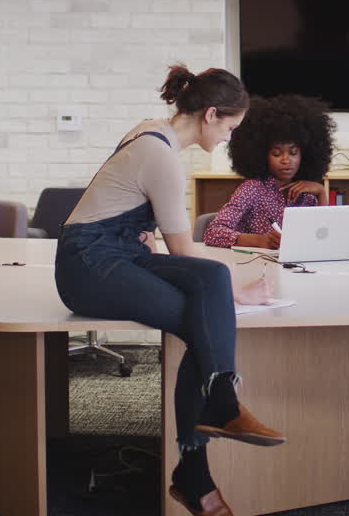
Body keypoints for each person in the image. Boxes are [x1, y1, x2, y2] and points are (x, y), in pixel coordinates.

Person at [54, 65, 285, 516]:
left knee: (213, 285)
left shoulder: (151, 131)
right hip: (86, 265)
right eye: (230, 128)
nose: (227, 139)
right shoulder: (161, 156)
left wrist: (147, 240)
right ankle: (197, 462)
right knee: (207, 315)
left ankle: (216, 414)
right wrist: (242, 293)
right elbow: (183, 248)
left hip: (115, 252)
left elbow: (130, 207)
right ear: (211, 114)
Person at [202, 94, 336, 249]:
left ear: (305, 155)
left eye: (293, 153)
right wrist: (260, 241)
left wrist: (321, 193)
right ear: (262, 155)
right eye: (276, 154)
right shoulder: (253, 189)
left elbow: (325, 239)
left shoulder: (308, 194)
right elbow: (213, 233)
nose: (286, 160)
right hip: (258, 266)